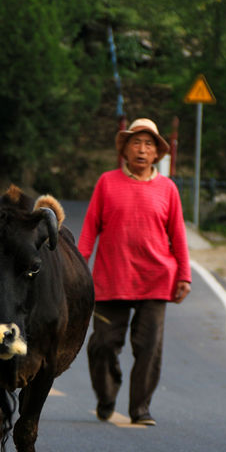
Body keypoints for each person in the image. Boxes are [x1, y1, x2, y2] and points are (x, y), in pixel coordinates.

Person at [77, 118, 192, 426]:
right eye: (136, 143)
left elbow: (178, 235)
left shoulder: (168, 189)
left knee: (149, 348)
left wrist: (184, 274)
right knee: (102, 343)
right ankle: (106, 395)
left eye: (149, 144)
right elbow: (89, 230)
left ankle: (140, 409)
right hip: (111, 278)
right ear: (124, 150)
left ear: (157, 154)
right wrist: (76, 268)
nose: (142, 150)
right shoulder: (107, 182)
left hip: (156, 278)